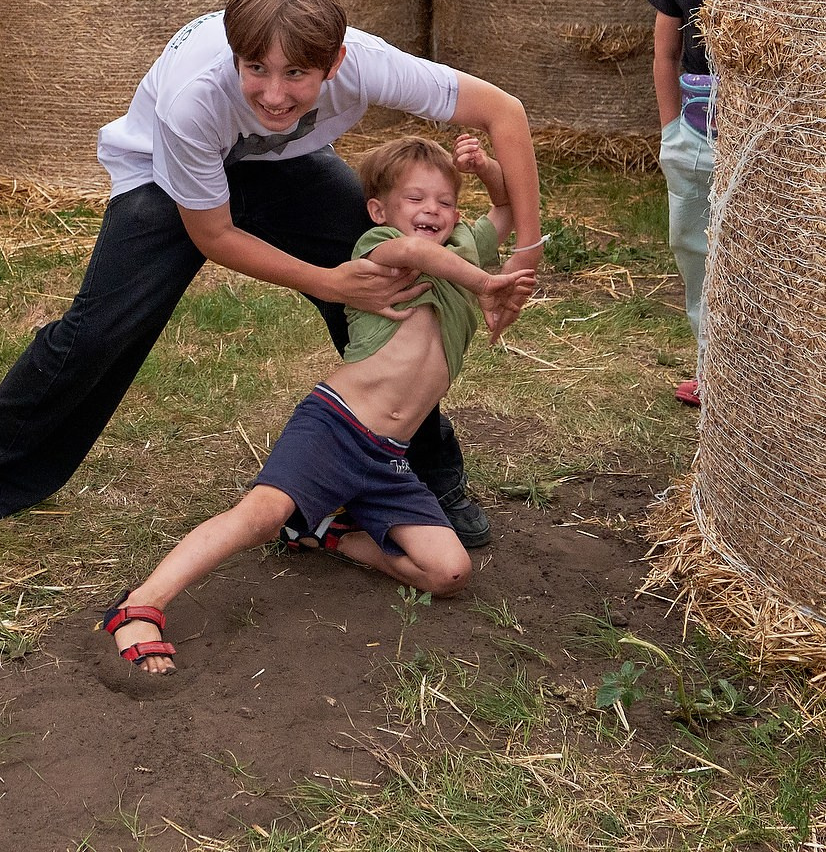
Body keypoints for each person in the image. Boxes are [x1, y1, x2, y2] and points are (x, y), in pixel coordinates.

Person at [0, 0, 543, 550]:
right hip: (165, 175)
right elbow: (216, 236)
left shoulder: (368, 61)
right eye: (255, 68)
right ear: (234, 55)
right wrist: (330, 283)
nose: (276, 94)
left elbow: (503, 113)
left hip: (282, 165)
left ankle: (428, 475)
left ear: (335, 62)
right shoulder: (193, 99)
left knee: (394, 284)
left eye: (297, 75)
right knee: (99, 330)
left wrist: (528, 250)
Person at [99, 135, 534, 674]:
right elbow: (420, 253)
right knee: (260, 516)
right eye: (416, 199)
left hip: (391, 456)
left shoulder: (465, 248)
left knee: (449, 573)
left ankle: (330, 533)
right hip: (336, 426)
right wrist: (488, 283)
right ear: (381, 210)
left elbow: (511, 206)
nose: (432, 211)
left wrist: (488, 168)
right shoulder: (379, 247)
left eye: (445, 201)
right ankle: (142, 606)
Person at [650, 0, 728, 408]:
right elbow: (663, 56)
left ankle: (756, 368)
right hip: (695, 137)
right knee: (694, 246)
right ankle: (710, 363)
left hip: (756, 140)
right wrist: (670, 128)